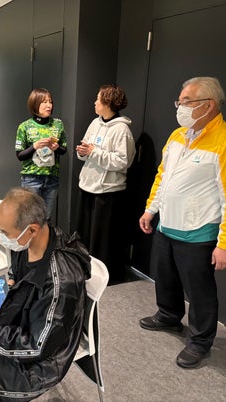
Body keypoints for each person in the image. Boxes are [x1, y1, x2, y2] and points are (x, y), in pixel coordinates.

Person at [138, 77, 226, 369]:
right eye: (180, 101)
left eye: (186, 102)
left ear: (208, 105)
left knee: (199, 291)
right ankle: (168, 316)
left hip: (198, 233)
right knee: (166, 278)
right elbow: (163, 177)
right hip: (167, 224)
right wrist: (151, 210)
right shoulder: (178, 135)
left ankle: (200, 341)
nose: (180, 107)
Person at [0, 188, 91, 401]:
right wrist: (11, 281)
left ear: (32, 229)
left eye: (5, 233)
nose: (2, 238)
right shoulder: (30, 241)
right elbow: (18, 271)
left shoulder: (60, 283)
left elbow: (38, 346)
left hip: (43, 358)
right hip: (23, 321)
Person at [75, 84, 136, 283]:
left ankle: (104, 276)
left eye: (98, 99)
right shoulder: (95, 123)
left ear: (108, 103)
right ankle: (85, 270)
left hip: (108, 191)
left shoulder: (122, 130)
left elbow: (123, 162)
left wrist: (94, 152)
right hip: (88, 185)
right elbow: (86, 147)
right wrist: (83, 151)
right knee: (85, 235)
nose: (94, 103)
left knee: (102, 239)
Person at [15, 88, 67, 222]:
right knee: (30, 218)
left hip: (52, 178)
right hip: (31, 179)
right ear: (35, 104)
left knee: (46, 218)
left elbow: (64, 150)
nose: (49, 105)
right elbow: (20, 155)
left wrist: (56, 148)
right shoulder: (24, 127)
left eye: (50, 102)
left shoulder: (58, 124)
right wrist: (35, 146)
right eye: (44, 102)